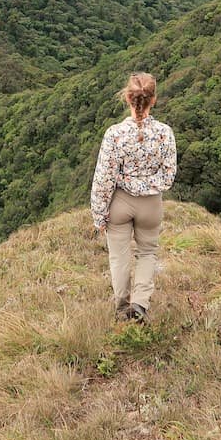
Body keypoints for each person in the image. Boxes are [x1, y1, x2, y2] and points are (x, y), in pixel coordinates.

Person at [90, 72, 177, 322]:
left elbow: (104, 178)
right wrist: (145, 185)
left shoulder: (114, 134)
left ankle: (121, 307)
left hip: (120, 201)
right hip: (151, 204)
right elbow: (168, 176)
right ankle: (139, 305)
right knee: (147, 252)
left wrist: (99, 214)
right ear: (154, 99)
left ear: (128, 98)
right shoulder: (165, 133)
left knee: (119, 255)